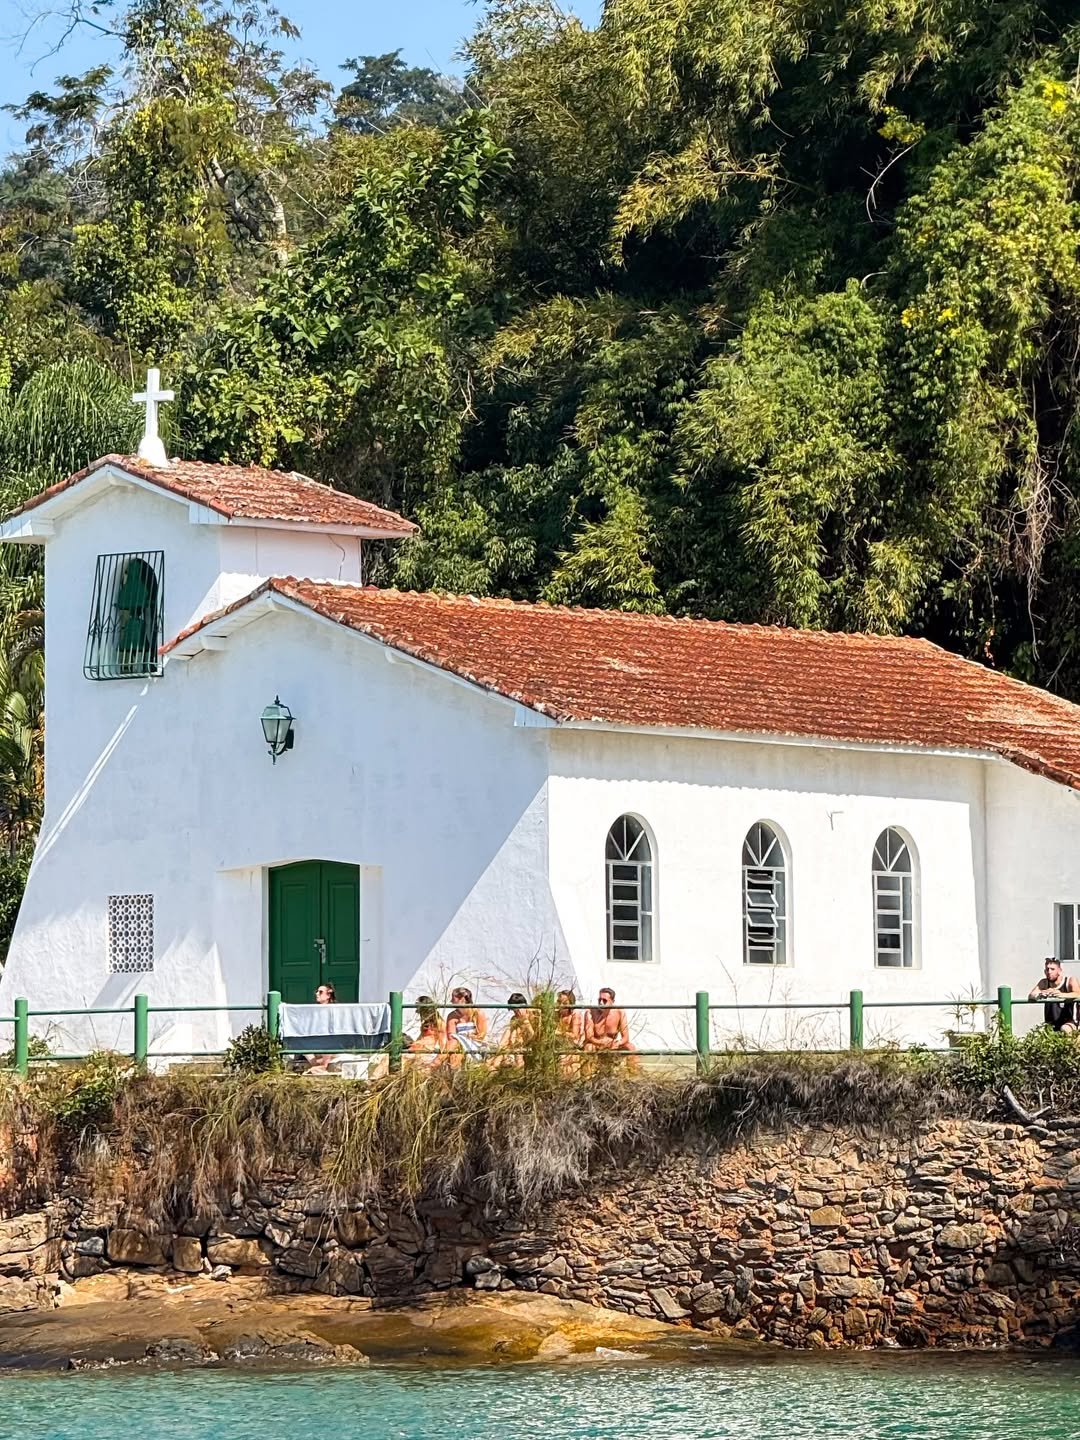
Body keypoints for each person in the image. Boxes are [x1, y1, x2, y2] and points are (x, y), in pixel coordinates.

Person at [585, 986, 640, 1071]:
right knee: (588, 1047)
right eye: (599, 1000)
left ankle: (634, 1077)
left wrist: (618, 1043)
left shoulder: (619, 1012)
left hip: (613, 1045)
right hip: (596, 1045)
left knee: (631, 1047)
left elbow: (626, 1037)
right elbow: (589, 1037)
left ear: (612, 1002)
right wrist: (600, 1042)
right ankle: (587, 1079)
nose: (601, 1003)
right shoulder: (590, 1012)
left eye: (604, 1001)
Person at [1029, 957, 1080, 1033]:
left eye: (1052, 969)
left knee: (1065, 1029)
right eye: (1047, 969)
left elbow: (1078, 994)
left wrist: (1061, 994)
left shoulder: (1070, 981)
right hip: (1051, 1024)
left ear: (1059, 971)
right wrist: (1041, 994)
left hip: (1070, 1022)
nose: (1049, 972)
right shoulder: (1044, 982)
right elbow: (1031, 995)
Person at [446, 986, 488, 1058]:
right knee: (455, 1052)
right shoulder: (452, 1016)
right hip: (457, 1044)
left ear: (462, 999)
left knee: (455, 1047)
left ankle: (433, 1065)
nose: (451, 1001)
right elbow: (451, 1036)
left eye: (453, 999)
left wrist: (467, 1037)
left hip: (475, 1044)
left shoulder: (478, 1013)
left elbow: (481, 1035)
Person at [406, 995, 445, 1067]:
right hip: (416, 1049)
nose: (418, 1013)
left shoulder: (439, 1023)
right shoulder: (425, 1023)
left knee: (402, 1059)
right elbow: (421, 1038)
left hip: (425, 1051)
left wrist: (438, 1059)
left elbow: (443, 1044)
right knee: (387, 1059)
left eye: (420, 1011)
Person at [306, 982, 337, 1073]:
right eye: (317, 991)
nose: (317, 994)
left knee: (326, 1040)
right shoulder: (316, 1011)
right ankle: (318, 1066)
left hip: (330, 1042)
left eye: (320, 992)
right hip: (316, 1041)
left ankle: (323, 1066)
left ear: (328, 995)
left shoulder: (334, 1010)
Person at [497, 992, 534, 1067]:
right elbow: (512, 1035)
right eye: (515, 1011)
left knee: (519, 1057)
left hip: (529, 1044)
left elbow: (533, 1035)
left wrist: (527, 1023)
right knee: (496, 1061)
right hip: (516, 1045)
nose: (518, 1013)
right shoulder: (514, 1018)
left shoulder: (533, 1014)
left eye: (519, 1009)